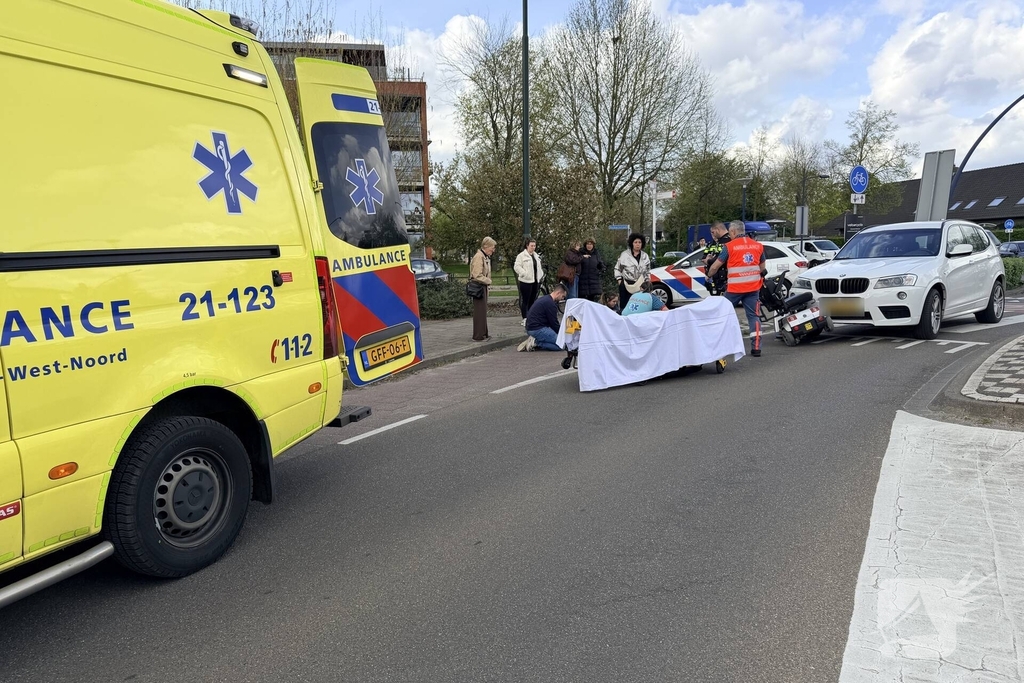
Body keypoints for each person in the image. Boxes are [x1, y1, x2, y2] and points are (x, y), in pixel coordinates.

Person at [707, 220, 767, 356]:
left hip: (734, 290)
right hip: (753, 289)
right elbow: (762, 268)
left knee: (722, 315)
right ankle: (756, 347)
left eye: (730, 232)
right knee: (753, 317)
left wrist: (708, 275)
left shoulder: (729, 247)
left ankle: (719, 345)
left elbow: (716, 266)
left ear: (733, 231)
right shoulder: (758, 246)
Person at [518, 283, 568, 351]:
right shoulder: (550, 304)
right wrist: (561, 334)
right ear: (558, 293)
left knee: (559, 343)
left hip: (532, 327)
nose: (562, 299)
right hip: (537, 329)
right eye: (562, 296)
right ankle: (536, 342)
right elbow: (554, 323)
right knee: (561, 345)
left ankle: (537, 340)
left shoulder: (546, 299)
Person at [614, 233, 651, 313]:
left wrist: (647, 282)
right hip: (626, 284)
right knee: (624, 306)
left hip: (640, 284)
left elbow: (647, 271)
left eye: (639, 242)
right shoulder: (624, 255)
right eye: (635, 242)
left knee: (637, 306)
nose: (638, 244)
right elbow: (617, 268)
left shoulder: (645, 256)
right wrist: (619, 280)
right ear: (632, 243)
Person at [470, 236, 496, 341]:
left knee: (482, 311)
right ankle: (478, 335)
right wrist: (488, 281)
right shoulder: (479, 257)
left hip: (482, 287)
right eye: (492, 247)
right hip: (478, 287)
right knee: (479, 312)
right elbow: (476, 274)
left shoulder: (484, 257)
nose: (493, 250)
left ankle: (483, 333)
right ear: (486, 246)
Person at [513, 238, 543, 326]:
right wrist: (524, 273)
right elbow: (517, 267)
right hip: (525, 281)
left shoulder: (536, 255)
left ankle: (531, 317)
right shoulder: (521, 256)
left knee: (533, 300)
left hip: (535, 281)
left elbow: (538, 267)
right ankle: (525, 318)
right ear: (527, 246)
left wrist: (540, 275)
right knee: (525, 300)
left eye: (534, 246)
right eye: (531, 246)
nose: (533, 248)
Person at [702, 221, 732, 296]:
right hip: (720, 277)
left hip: (724, 277)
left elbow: (720, 260)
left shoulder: (725, 241)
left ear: (717, 229)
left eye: (713, 232)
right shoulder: (717, 242)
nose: (712, 234)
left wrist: (709, 261)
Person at [577, 237, 605, 302]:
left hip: (593, 279)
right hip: (582, 280)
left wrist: (601, 270)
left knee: (592, 301)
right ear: (585, 245)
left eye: (591, 244)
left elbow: (600, 263)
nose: (589, 246)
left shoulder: (596, 253)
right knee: (582, 300)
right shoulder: (581, 253)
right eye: (588, 244)